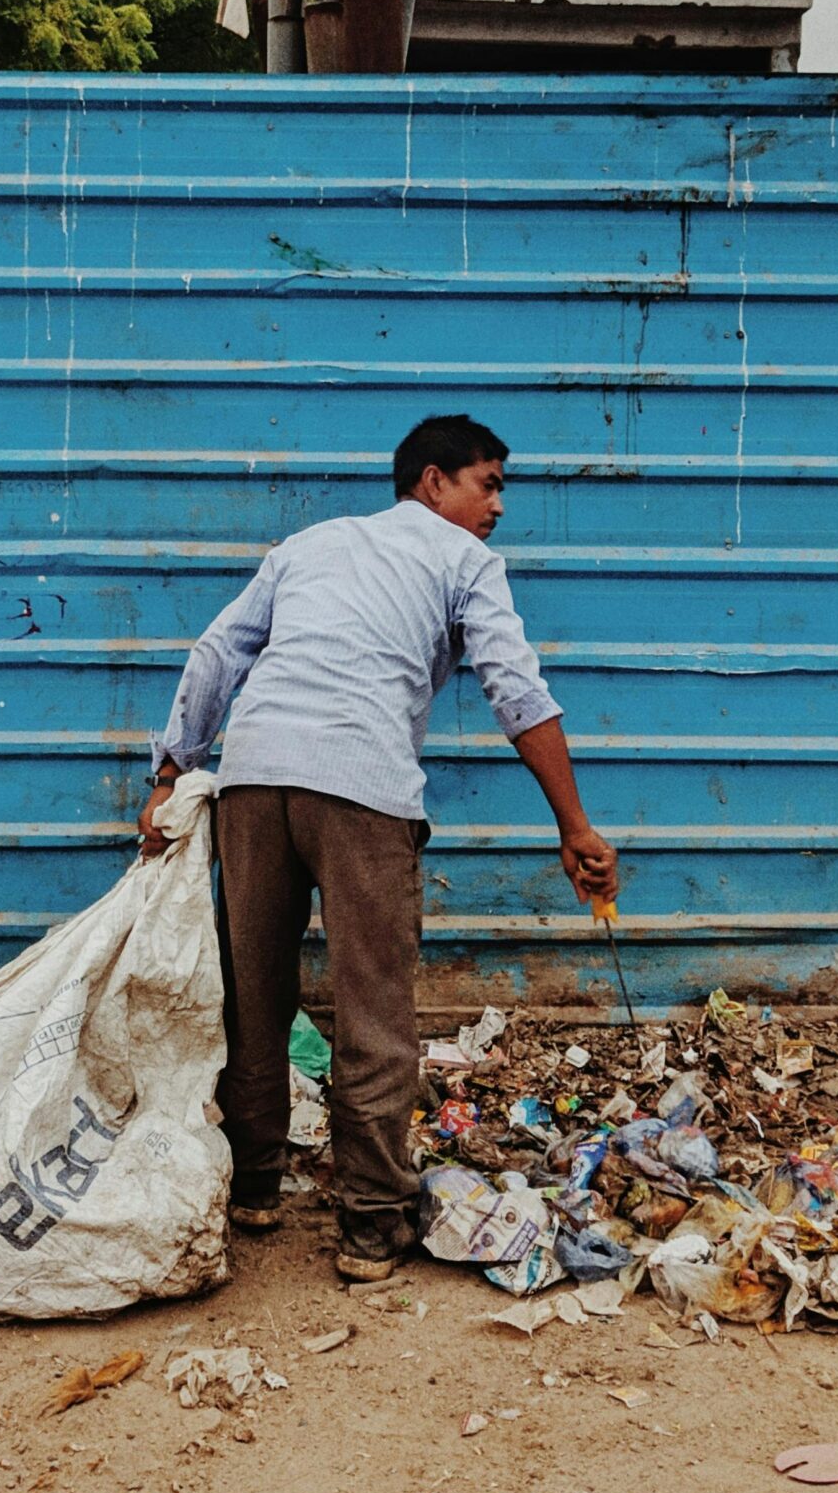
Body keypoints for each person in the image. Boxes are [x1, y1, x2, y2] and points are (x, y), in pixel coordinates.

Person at [139, 412, 619, 1283]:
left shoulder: (309, 545)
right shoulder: (465, 561)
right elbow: (516, 689)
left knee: (256, 994)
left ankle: (253, 1189)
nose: (498, 506)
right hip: (360, 787)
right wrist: (574, 825)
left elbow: (220, 650)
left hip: (253, 781)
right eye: (489, 484)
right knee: (373, 1012)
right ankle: (369, 1225)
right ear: (433, 483)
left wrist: (171, 773)